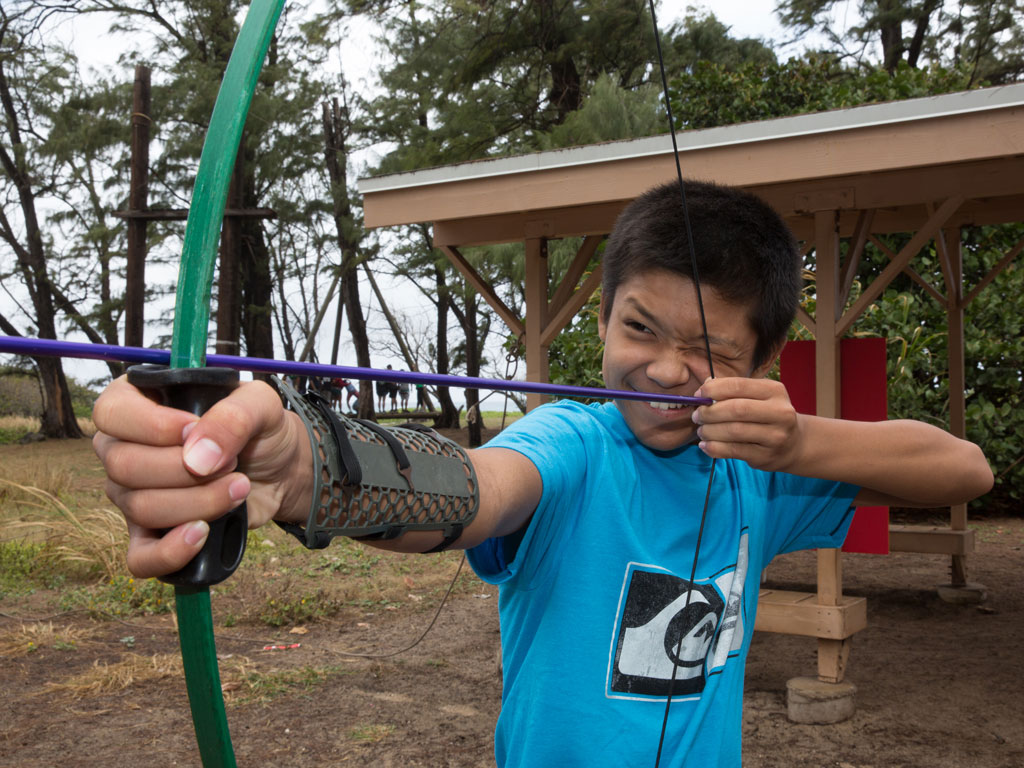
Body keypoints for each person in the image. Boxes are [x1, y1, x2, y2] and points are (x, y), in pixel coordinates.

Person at [92, 181, 992, 767]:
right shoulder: (573, 441)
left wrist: (797, 446)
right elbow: (475, 488)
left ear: (760, 363)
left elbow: (963, 469)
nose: (668, 371)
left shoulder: (762, 474)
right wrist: (304, 463)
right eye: (640, 329)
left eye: (710, 350)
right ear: (601, 319)